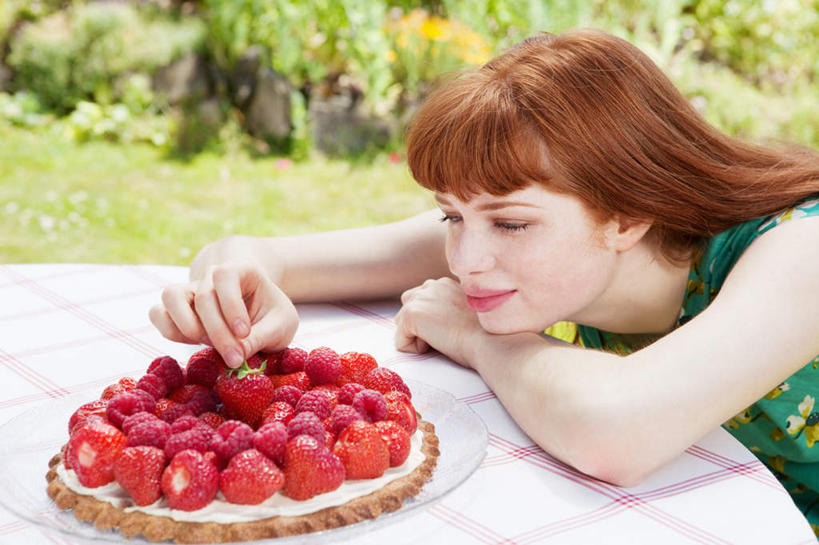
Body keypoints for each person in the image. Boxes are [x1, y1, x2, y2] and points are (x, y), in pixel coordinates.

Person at [150, 28, 819, 530]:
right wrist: (235, 272)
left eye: (510, 225)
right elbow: (275, 256)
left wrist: (476, 337)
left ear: (627, 213)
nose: (466, 260)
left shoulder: (801, 248)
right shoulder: (512, 230)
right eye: (450, 215)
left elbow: (617, 429)